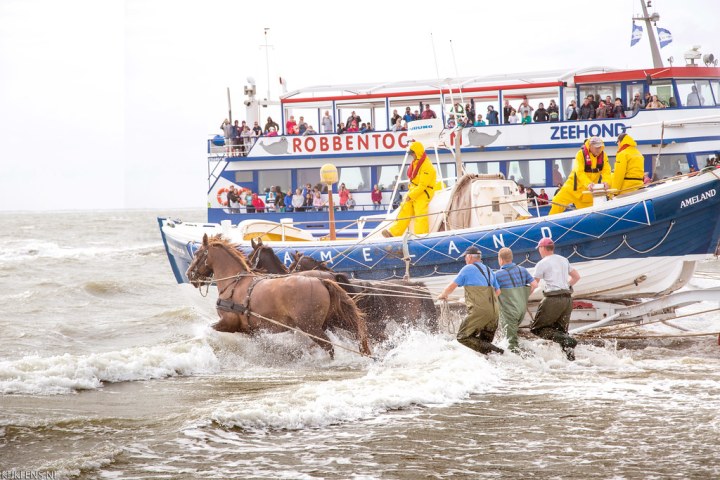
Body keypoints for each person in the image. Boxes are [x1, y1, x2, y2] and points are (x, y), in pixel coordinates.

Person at [438, 246, 503, 355]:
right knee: (484, 347)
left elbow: (451, 287)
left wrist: (443, 295)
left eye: (465, 257)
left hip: (480, 312)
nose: (465, 260)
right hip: (494, 313)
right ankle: (498, 356)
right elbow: (498, 292)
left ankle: (500, 352)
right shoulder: (489, 270)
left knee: (462, 336)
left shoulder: (467, 269)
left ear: (469, 257)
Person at [531, 238, 581, 360]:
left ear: (542, 248)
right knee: (561, 331)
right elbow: (576, 277)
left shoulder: (542, 263)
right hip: (567, 299)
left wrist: (523, 298)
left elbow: (534, 284)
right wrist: (565, 287)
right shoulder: (564, 260)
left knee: (538, 329)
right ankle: (571, 361)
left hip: (553, 299)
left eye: (539, 249)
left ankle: (569, 340)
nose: (539, 251)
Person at [381, 141, 437, 237]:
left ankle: (421, 236)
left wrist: (410, 195)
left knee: (420, 212)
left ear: (417, 152)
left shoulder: (427, 166)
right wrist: (410, 194)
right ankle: (394, 233)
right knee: (404, 209)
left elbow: (422, 186)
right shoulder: (416, 163)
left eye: (412, 153)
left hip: (424, 192)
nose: (411, 155)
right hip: (415, 190)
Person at [549, 136, 611, 215]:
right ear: (590, 146)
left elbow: (606, 171)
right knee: (557, 202)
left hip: (587, 192)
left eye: (600, 147)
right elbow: (579, 172)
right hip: (572, 188)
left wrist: (606, 182)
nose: (598, 149)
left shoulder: (603, 156)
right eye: (596, 147)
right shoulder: (580, 154)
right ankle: (548, 223)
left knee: (590, 214)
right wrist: (588, 183)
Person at [495, 247, 537, 353]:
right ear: (511, 258)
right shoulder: (522, 270)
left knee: (510, 342)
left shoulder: (497, 275)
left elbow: (496, 292)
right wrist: (524, 295)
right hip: (521, 310)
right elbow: (534, 284)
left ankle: (516, 364)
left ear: (500, 259)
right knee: (512, 336)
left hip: (509, 311)